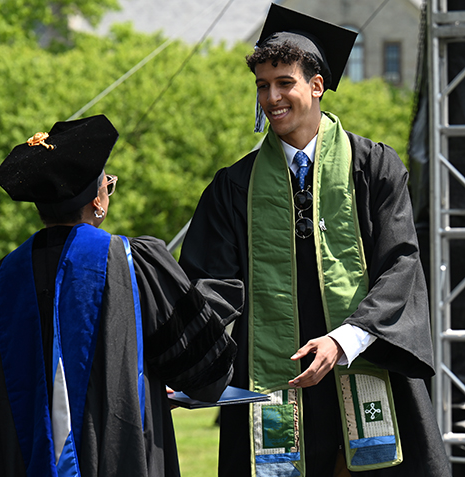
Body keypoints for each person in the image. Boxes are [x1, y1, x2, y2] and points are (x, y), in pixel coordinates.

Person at [179, 4, 450, 476]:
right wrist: (184, 362)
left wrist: (344, 340)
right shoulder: (234, 188)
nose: (272, 96)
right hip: (276, 378)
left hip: (366, 362)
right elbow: (209, 286)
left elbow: (400, 265)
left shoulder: (373, 169)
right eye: (263, 85)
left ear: (317, 85)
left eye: (285, 83)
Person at [0, 114, 241, 476]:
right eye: (108, 184)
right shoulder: (131, 262)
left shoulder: (3, 277)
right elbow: (204, 373)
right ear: (98, 200)